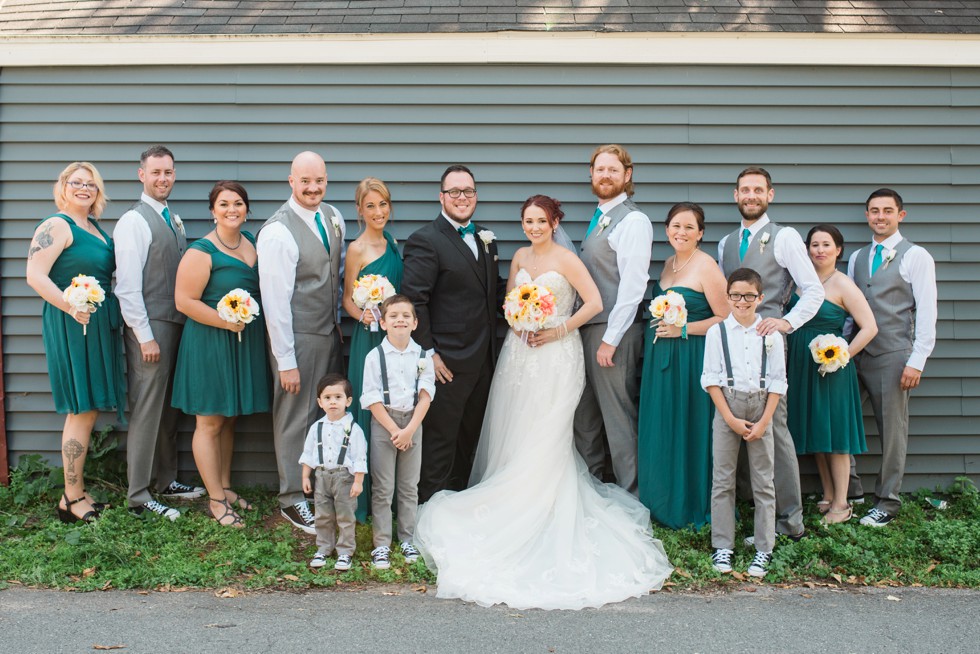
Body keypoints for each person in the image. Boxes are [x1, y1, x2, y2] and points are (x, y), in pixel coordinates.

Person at [415, 195, 672, 610]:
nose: (534, 227)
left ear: (555, 223)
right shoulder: (517, 256)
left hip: (557, 353)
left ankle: (545, 507)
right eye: (528, 220)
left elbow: (594, 303)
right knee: (515, 427)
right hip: (520, 354)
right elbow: (507, 303)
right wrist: (518, 320)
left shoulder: (568, 260)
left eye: (541, 221)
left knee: (548, 430)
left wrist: (557, 329)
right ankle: (509, 498)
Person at [718, 166, 824, 541]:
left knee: (774, 430)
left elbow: (813, 290)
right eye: (744, 189)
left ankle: (790, 521)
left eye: (757, 190)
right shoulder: (726, 243)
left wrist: (787, 323)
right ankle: (760, 519)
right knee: (742, 426)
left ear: (770, 195)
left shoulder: (785, 237)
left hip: (768, 346)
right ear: (735, 195)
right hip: (733, 350)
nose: (750, 195)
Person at [26, 162, 125, 523]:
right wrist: (70, 306)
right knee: (80, 408)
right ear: (63, 186)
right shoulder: (56, 225)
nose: (84, 189)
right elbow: (34, 275)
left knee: (89, 408)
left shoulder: (94, 228)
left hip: (95, 322)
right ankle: (70, 498)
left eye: (91, 184)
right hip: (72, 322)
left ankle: (78, 490)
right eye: (77, 182)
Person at [401, 164, 506, 502]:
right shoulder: (425, 240)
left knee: (469, 439)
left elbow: (494, 293)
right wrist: (428, 354)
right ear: (441, 197)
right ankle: (426, 510)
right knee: (440, 440)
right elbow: (415, 301)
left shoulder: (485, 237)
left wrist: (532, 302)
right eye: (455, 192)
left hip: (483, 360)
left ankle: (458, 505)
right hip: (445, 363)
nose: (463, 198)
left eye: (469, 191)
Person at [114, 145, 204, 521]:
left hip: (175, 325)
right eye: (156, 173)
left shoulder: (172, 218)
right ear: (141, 175)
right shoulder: (133, 222)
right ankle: (138, 495)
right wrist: (144, 335)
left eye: (168, 172)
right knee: (148, 410)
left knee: (169, 410)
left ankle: (166, 480)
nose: (162, 179)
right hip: (149, 329)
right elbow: (127, 286)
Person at [172, 181, 270, 527]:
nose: (232, 209)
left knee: (229, 417)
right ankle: (215, 500)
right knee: (210, 419)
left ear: (247, 209)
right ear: (213, 210)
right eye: (224, 204)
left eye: (239, 203)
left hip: (242, 341)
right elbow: (184, 301)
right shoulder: (201, 251)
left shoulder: (254, 243)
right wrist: (225, 323)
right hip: (210, 342)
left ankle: (225, 486)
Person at [258, 151, 346, 533]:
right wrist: (285, 360)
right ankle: (292, 498)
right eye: (305, 181)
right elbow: (275, 302)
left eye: (320, 181)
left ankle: (314, 488)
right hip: (298, 336)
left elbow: (335, 274)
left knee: (324, 413)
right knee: (295, 417)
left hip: (330, 332)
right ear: (291, 181)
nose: (313, 188)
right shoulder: (278, 231)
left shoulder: (333, 217)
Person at [848, 189, 937, 527]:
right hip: (855, 353)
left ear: (901, 215)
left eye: (887, 210)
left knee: (892, 430)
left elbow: (928, 311)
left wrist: (918, 360)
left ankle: (887, 501)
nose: (880, 216)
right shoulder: (857, 257)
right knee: (843, 419)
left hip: (894, 354)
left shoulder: (916, 256)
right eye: (874, 211)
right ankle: (851, 491)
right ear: (867, 215)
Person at [637, 203, 727, 529]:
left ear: (700, 233)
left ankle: (689, 505)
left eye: (689, 227)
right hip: (661, 358)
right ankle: (661, 501)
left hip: (691, 358)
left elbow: (724, 318)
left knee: (688, 426)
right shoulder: (667, 264)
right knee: (662, 425)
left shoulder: (707, 267)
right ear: (667, 230)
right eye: (676, 225)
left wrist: (684, 329)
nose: (681, 232)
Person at [573, 144, 653, 495]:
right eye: (600, 169)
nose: (605, 175)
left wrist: (612, 338)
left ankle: (633, 495)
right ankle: (591, 490)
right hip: (589, 329)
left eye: (613, 169)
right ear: (591, 174)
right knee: (585, 416)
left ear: (627, 175)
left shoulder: (634, 220)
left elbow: (633, 286)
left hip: (612, 333)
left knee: (618, 417)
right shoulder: (600, 217)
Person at [787, 225, 877, 524]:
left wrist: (843, 355)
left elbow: (869, 327)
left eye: (826, 245)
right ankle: (827, 494)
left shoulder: (843, 284)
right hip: (801, 365)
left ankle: (842, 503)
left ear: (838, 250)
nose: (819, 250)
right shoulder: (800, 282)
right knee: (816, 430)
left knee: (835, 434)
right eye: (814, 245)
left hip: (832, 370)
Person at [702, 268, 786, 579]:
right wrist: (729, 419)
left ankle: (764, 547)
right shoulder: (717, 333)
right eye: (735, 295)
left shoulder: (770, 334)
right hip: (728, 405)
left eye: (749, 296)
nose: (742, 301)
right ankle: (723, 544)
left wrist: (764, 421)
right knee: (723, 479)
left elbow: (778, 382)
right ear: (727, 297)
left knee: (764, 481)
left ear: (760, 298)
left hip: (762, 405)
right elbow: (710, 379)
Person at [341, 177, 403, 522]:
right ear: (360, 210)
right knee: (370, 409)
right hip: (369, 338)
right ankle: (363, 500)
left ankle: (392, 496)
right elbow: (347, 299)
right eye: (370, 206)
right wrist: (363, 315)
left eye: (382, 205)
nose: (378, 212)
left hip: (396, 335)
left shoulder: (392, 242)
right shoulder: (357, 249)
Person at [360, 295, 435, 570]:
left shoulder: (424, 356)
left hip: (414, 422)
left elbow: (426, 395)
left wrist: (410, 430)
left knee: (408, 486)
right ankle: (381, 544)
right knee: (383, 487)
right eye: (393, 316)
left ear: (415, 323)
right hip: (384, 424)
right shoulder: (374, 356)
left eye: (405, 316)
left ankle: (406, 538)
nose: (400, 320)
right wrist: (395, 430)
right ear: (383, 323)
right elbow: (371, 397)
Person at [299, 374, 367, 572]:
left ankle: (345, 552)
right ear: (320, 402)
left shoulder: (354, 429)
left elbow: (359, 457)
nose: (333, 402)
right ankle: (324, 548)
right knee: (322, 514)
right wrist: (305, 476)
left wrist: (358, 481)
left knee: (345, 515)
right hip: (321, 477)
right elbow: (309, 453)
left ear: (348, 401)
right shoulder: (316, 428)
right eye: (327, 398)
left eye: (338, 397)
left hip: (344, 478)